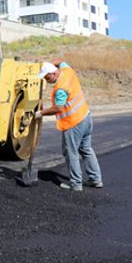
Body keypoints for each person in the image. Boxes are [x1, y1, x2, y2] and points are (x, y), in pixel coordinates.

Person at [35, 60, 103, 192]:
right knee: (86, 149)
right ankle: (95, 179)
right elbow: (61, 61)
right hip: (86, 116)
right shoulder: (67, 71)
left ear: (53, 74)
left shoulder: (60, 88)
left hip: (74, 123)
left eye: (46, 77)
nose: (46, 80)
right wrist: (48, 62)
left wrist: (40, 113)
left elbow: (58, 108)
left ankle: (75, 184)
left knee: (71, 153)